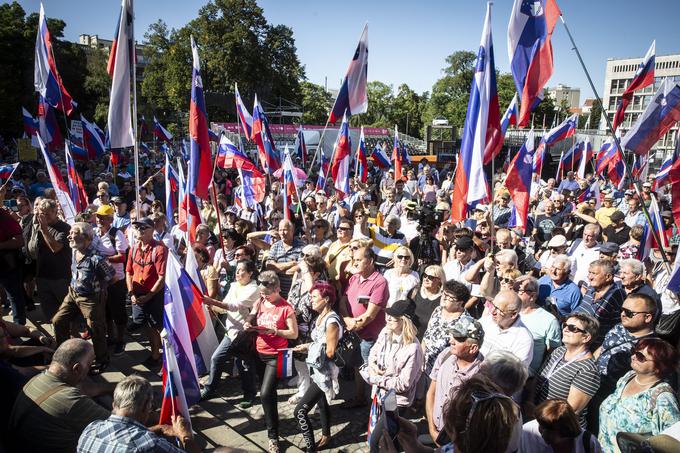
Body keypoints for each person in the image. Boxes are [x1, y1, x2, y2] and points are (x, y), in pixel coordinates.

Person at [9, 339, 111, 453]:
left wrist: (115, 387)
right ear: (77, 368)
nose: (89, 370)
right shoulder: (73, 402)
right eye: (89, 364)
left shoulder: (35, 381)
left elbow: (85, 390)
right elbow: (120, 425)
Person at [243, 271, 298, 453]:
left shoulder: (286, 308)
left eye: (267, 293)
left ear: (277, 289)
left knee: (265, 394)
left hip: (277, 355)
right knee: (268, 394)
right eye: (262, 293)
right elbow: (252, 314)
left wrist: (275, 331)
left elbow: (294, 333)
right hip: (259, 353)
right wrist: (248, 323)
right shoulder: (260, 301)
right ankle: (272, 424)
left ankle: (272, 436)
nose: (264, 296)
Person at [52, 222, 117, 374]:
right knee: (58, 321)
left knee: (96, 328)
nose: (69, 236)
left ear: (86, 237)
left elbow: (112, 278)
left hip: (91, 298)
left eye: (74, 233)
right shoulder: (74, 251)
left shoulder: (97, 259)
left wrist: (101, 292)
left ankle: (102, 359)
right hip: (73, 293)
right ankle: (64, 354)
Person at [360, 299, 424, 451]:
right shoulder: (385, 332)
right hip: (381, 393)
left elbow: (404, 384)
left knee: (377, 441)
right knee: (390, 439)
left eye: (392, 316)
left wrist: (376, 379)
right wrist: (373, 365)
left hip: (395, 401)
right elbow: (373, 352)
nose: (387, 318)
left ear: (404, 321)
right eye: (387, 314)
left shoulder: (413, 348)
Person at [589, 293, 659, 431]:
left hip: (608, 400)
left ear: (648, 317)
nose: (622, 314)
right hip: (590, 387)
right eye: (622, 310)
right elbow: (603, 347)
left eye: (629, 312)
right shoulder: (619, 327)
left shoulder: (652, 349)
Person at [77, 375, 199, 453]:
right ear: (147, 406)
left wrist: (159, 428)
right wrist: (186, 437)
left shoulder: (91, 429)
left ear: (114, 404)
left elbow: (120, 437)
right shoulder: (151, 446)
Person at [598, 338, 680, 452]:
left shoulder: (663, 398)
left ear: (658, 367)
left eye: (640, 357)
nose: (633, 357)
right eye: (634, 352)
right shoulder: (628, 377)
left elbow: (669, 445)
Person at [200, 259, 259, 404]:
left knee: (243, 366)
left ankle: (249, 394)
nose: (237, 273)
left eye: (241, 271)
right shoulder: (234, 286)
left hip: (243, 335)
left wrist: (212, 302)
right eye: (237, 270)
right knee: (216, 358)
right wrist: (213, 307)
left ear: (250, 273)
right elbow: (224, 306)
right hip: (230, 332)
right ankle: (210, 388)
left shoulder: (254, 289)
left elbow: (234, 306)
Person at [293, 281, 342, 452]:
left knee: (299, 412)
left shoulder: (332, 322)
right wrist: (306, 346)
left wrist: (310, 347)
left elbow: (329, 351)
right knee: (322, 405)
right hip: (317, 368)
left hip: (325, 373)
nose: (311, 300)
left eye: (314, 297)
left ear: (326, 299)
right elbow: (319, 342)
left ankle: (310, 448)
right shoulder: (320, 316)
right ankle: (326, 436)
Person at [339, 244, 389, 407]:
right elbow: (343, 301)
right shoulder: (354, 278)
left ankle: (377, 408)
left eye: (359, 260)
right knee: (358, 368)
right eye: (354, 259)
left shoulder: (379, 282)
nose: (354, 263)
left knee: (372, 372)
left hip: (369, 336)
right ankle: (360, 398)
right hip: (354, 333)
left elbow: (371, 314)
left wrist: (354, 324)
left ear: (370, 261)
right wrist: (347, 320)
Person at [532, 313, 601, 428]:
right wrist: (530, 402)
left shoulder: (588, 370)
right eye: (565, 325)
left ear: (586, 337)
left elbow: (570, 411)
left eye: (572, 328)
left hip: (557, 428)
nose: (565, 330)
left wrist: (542, 421)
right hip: (537, 416)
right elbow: (538, 378)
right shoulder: (558, 351)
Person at [426, 314, 485, 444]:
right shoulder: (445, 355)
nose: (451, 341)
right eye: (452, 336)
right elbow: (431, 393)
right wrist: (431, 429)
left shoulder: (482, 376)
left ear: (473, 348)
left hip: (458, 442)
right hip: (435, 431)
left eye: (458, 339)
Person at [125, 217, 168, 368]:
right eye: (137, 228)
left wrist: (149, 295)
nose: (139, 231)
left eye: (143, 228)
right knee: (147, 325)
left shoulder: (160, 250)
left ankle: (171, 358)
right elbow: (129, 272)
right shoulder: (134, 248)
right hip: (138, 294)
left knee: (160, 327)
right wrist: (131, 293)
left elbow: (162, 278)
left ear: (152, 230)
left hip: (154, 295)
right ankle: (155, 355)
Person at [27, 198, 71, 322]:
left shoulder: (64, 228)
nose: (45, 217)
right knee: (50, 314)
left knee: (66, 313)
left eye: (48, 213)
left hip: (60, 278)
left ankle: (72, 337)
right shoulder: (38, 226)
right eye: (42, 213)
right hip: (42, 276)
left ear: (55, 211)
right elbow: (30, 248)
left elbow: (56, 248)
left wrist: (45, 229)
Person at [94, 204, 129, 357]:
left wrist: (102, 259)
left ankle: (121, 340)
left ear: (110, 219)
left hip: (116, 280)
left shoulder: (117, 234)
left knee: (118, 311)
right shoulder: (94, 233)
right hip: (101, 280)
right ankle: (111, 337)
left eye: (103, 218)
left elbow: (122, 257)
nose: (99, 220)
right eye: (98, 217)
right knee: (105, 311)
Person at [422, 279, 470, 376]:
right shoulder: (438, 310)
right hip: (424, 366)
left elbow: (458, 350)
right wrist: (421, 357)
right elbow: (427, 335)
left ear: (459, 303)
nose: (443, 298)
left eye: (449, 297)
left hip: (443, 371)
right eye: (444, 294)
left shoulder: (464, 321)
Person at [517, 275, 562, 375]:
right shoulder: (507, 311)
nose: (514, 293)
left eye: (519, 290)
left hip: (525, 376)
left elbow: (553, 354)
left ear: (532, 296)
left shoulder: (549, 320)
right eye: (514, 288)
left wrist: (537, 379)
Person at [576, 259, 627, 348]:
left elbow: (617, 328)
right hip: (579, 342)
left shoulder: (617, 296)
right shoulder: (591, 288)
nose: (590, 277)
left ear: (608, 277)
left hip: (597, 347)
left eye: (594, 274)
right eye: (589, 273)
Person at [522, 399, 602, 453]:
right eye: (541, 426)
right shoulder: (527, 431)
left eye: (549, 429)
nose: (543, 433)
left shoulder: (588, 442)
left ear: (565, 430)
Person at [480, 290, 534, 368]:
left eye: (498, 310)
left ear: (513, 314)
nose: (492, 312)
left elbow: (515, 374)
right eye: (493, 306)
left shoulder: (524, 340)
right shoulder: (486, 321)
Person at [0, 204, 27, 325]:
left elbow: (19, 240)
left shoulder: (4, 217)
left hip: (6, 263)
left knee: (14, 294)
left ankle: (19, 326)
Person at [266, 219, 305, 298]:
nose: (282, 233)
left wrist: (278, 269)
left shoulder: (302, 246)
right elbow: (270, 267)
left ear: (292, 230)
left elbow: (299, 268)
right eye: (280, 230)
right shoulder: (275, 246)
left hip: (295, 292)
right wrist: (291, 263)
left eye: (285, 230)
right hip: (277, 292)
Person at [409, 264, 446, 341]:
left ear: (439, 281)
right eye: (425, 275)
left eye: (431, 277)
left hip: (427, 341)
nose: (426, 279)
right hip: (408, 337)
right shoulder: (414, 292)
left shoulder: (442, 300)